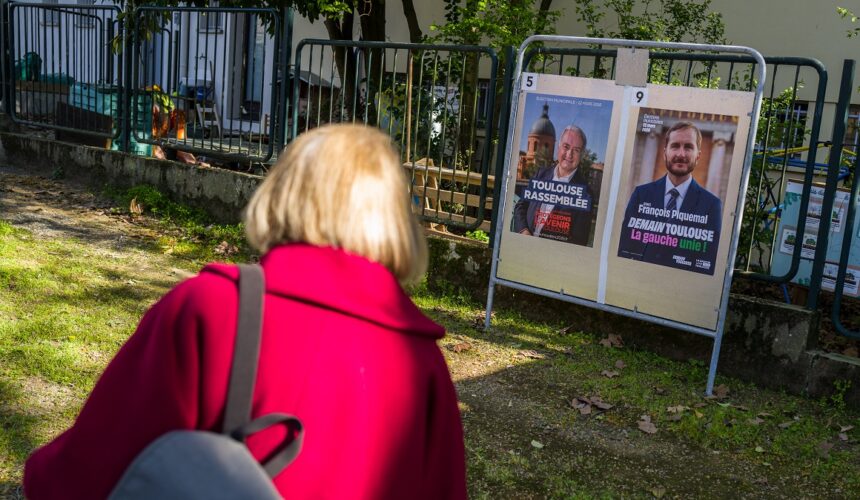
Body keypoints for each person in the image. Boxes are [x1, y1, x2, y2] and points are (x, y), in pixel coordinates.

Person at [23, 124, 467, 499]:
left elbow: (87, 471)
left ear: (284, 192)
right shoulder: (425, 367)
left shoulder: (212, 309)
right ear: (396, 222)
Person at [617, 121, 722, 275]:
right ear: (665, 152)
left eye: (688, 147)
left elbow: (708, 260)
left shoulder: (712, 205)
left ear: (698, 156)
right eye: (675, 146)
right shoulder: (641, 194)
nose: (681, 154)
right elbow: (625, 246)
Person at [513, 124, 595, 246]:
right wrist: (524, 232)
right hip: (524, 244)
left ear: (581, 155)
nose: (569, 154)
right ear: (558, 147)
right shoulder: (540, 174)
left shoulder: (586, 194)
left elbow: (578, 241)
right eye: (566, 146)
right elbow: (520, 206)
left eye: (576, 150)